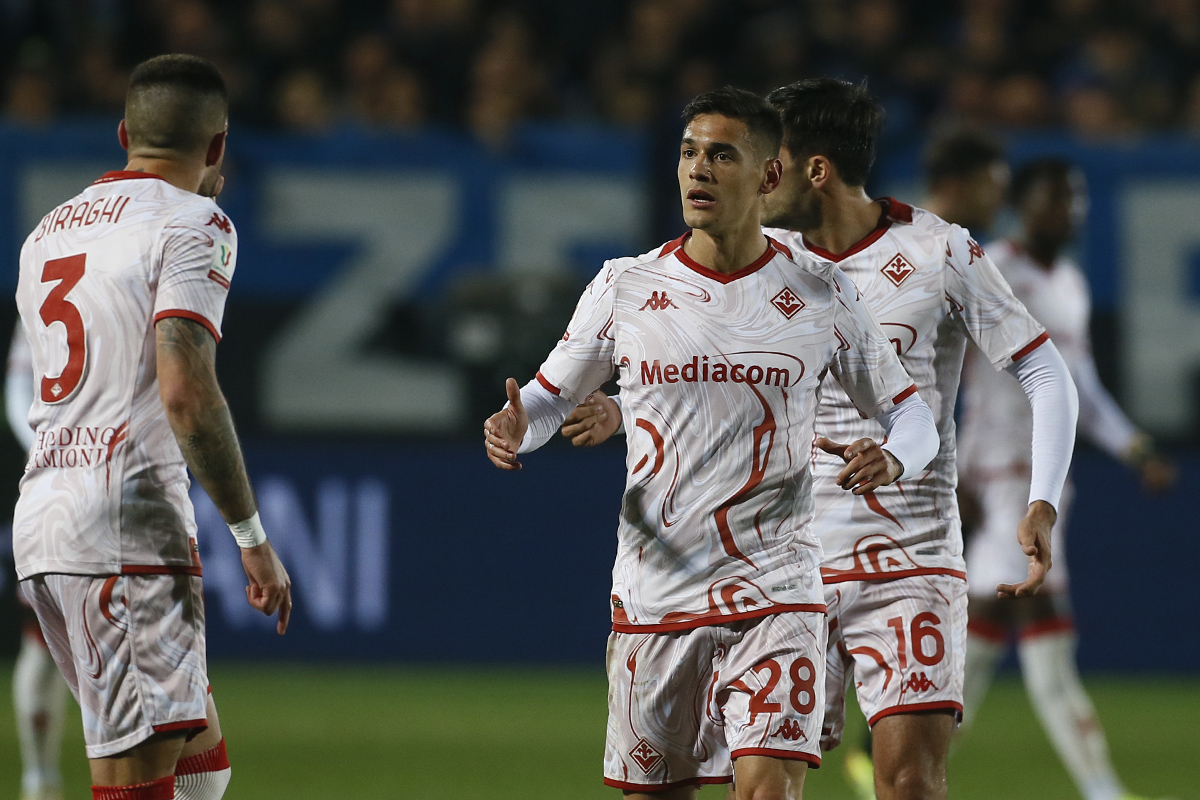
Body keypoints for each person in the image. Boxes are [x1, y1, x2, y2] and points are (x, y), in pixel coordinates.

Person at [561, 80, 1080, 800]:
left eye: (773, 159)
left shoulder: (938, 252)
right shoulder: (755, 260)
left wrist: (1042, 499)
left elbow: (1046, 373)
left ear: (812, 169)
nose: (760, 176)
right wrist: (621, 409)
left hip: (911, 561)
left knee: (908, 783)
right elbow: (702, 371)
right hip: (781, 572)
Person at [484, 86, 941, 800]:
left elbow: (913, 416)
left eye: (721, 155)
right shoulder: (625, 287)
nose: (698, 168)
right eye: (690, 151)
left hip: (778, 591)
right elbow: (548, 398)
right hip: (654, 597)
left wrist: (895, 454)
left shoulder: (822, 294)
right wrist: (519, 428)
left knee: (766, 791)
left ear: (767, 177)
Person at [11, 54, 292, 800]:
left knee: (199, 749)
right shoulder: (196, 222)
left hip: (42, 517)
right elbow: (186, 390)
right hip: (125, 522)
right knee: (132, 779)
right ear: (218, 147)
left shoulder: (46, 234)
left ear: (124, 133)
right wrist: (252, 540)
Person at [956, 157, 1174, 800]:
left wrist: (1133, 447)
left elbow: (1079, 390)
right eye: (1056, 199)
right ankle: (1103, 789)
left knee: (985, 639)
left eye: (1076, 199)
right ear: (1023, 204)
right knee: (1044, 635)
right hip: (997, 483)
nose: (1070, 211)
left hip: (1047, 488)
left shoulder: (1071, 285)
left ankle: (885, 760)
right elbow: (940, 368)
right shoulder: (988, 269)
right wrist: (950, 466)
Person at [7, 323, 69, 800]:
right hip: (98, 481)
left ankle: (39, 776)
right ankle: (39, 775)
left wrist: (42, 454)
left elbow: (16, 386)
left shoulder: (41, 263)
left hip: (50, 486)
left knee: (45, 642)